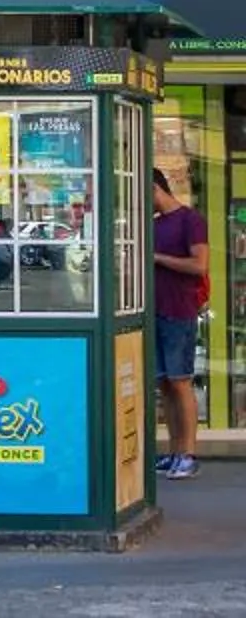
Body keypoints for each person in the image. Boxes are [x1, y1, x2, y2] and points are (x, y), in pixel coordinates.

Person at [154, 163, 210, 480]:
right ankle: (174, 451)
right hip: (157, 310)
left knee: (180, 380)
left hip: (180, 310)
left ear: (154, 188)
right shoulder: (154, 225)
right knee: (164, 383)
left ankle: (188, 453)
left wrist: (158, 258)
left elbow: (199, 265)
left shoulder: (191, 220)